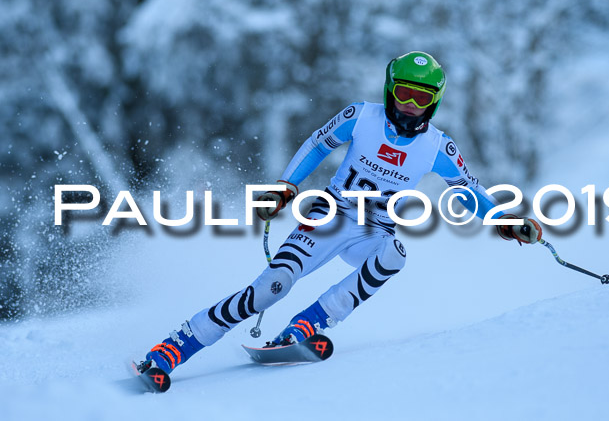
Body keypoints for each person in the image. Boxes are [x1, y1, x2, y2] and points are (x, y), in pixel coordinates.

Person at [140, 51, 542, 374]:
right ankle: (176, 345)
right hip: (328, 217)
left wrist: (506, 222)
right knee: (270, 288)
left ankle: (310, 323)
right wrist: (286, 186)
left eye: (422, 98)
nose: (411, 105)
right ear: (389, 90)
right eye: (404, 93)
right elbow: (317, 144)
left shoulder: (438, 147)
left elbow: (469, 192)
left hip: (375, 230)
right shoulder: (361, 116)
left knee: (395, 255)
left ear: (434, 102)